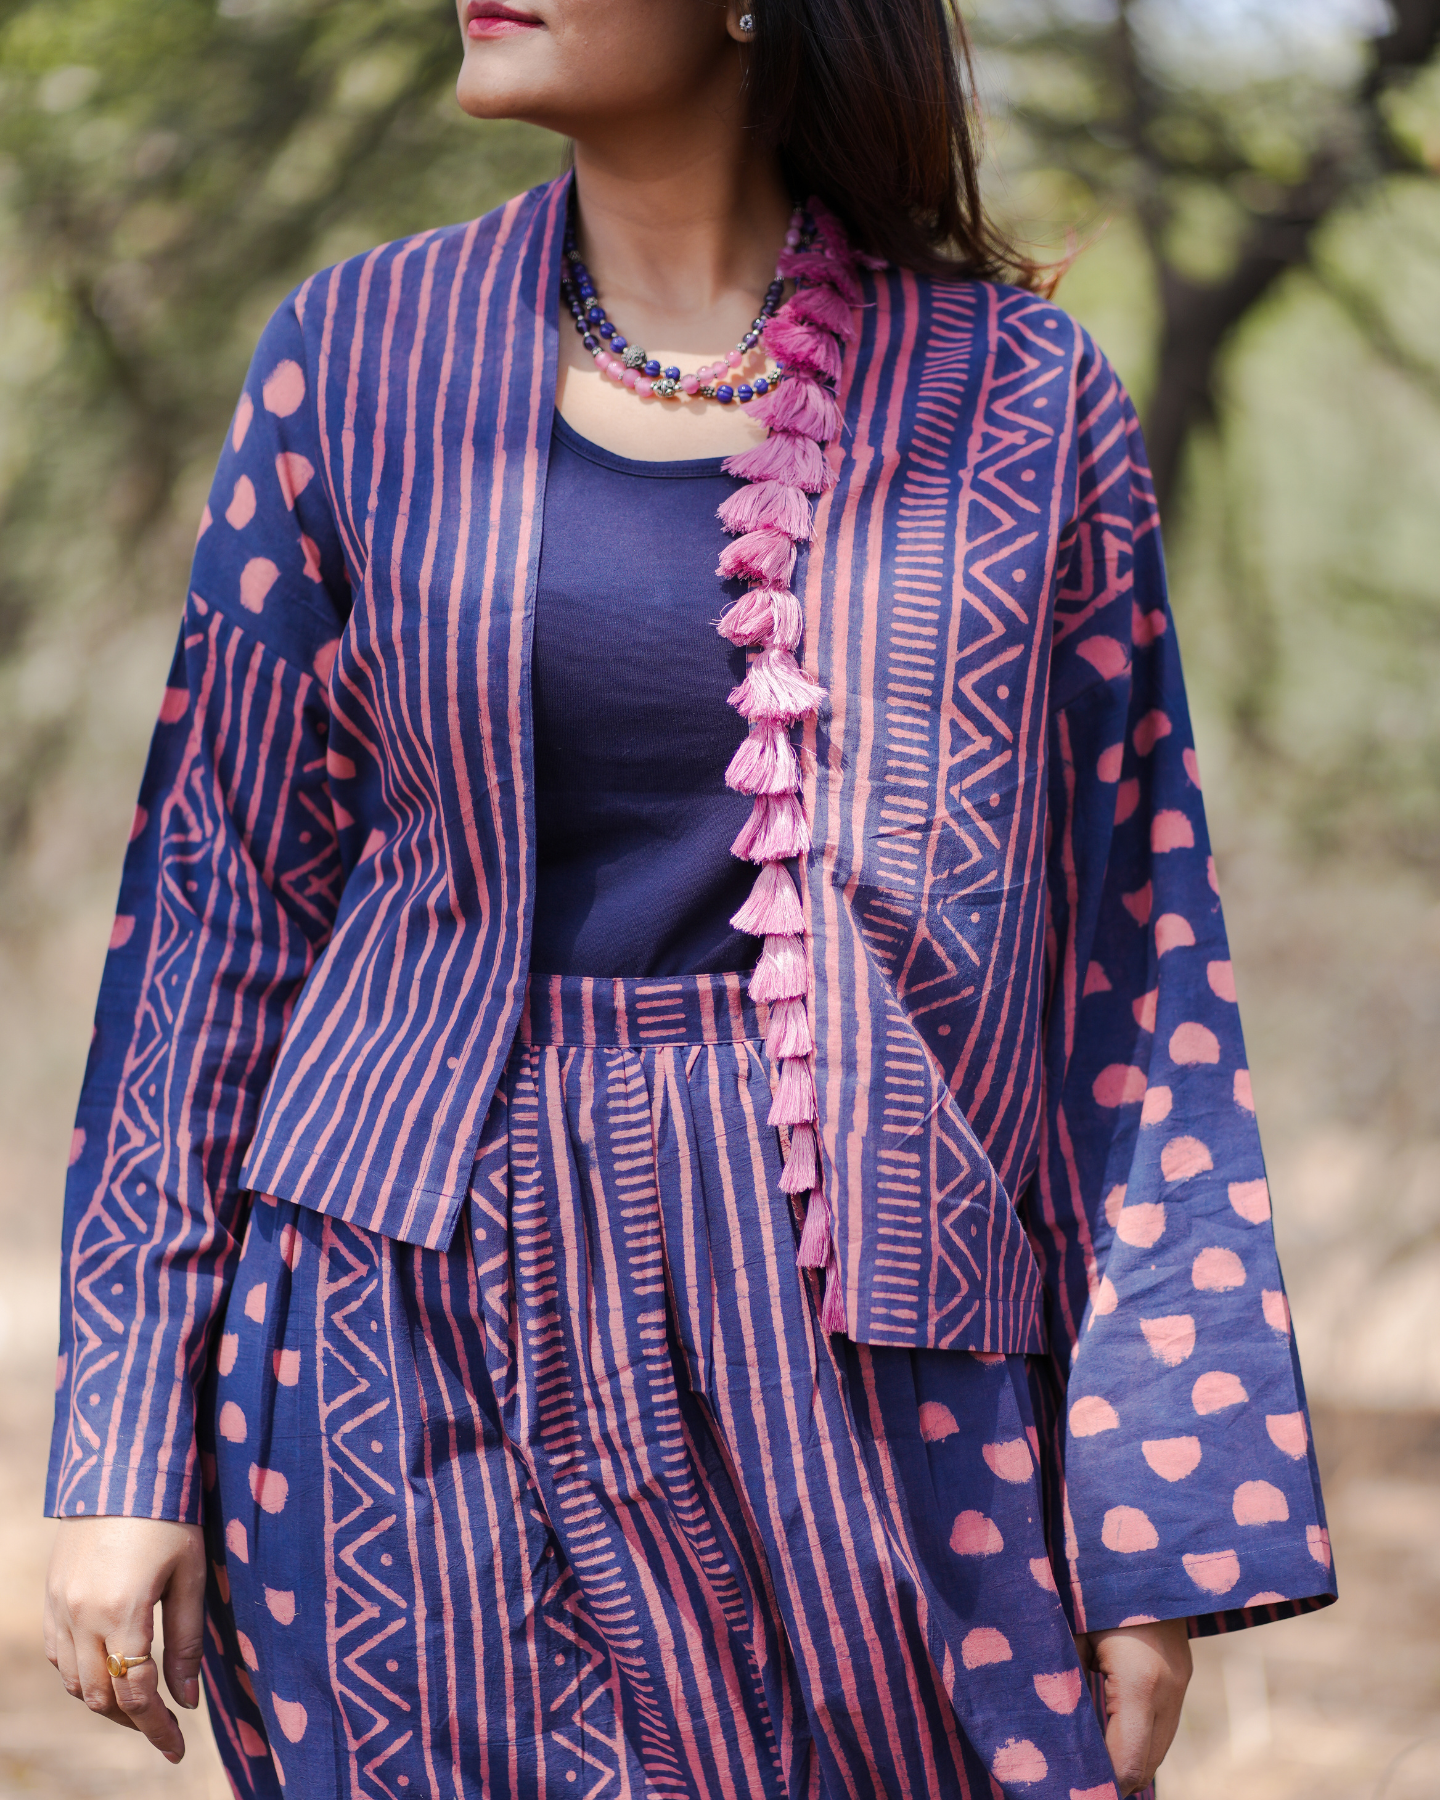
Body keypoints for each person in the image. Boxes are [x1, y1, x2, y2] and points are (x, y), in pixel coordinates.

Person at [42, 2, 1336, 1795]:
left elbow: (1135, 967)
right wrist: (121, 1440)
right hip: (391, 1334)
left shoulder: (1025, 403)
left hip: (869, 1365)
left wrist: (1155, 1519)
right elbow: (211, 908)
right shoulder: (355, 358)